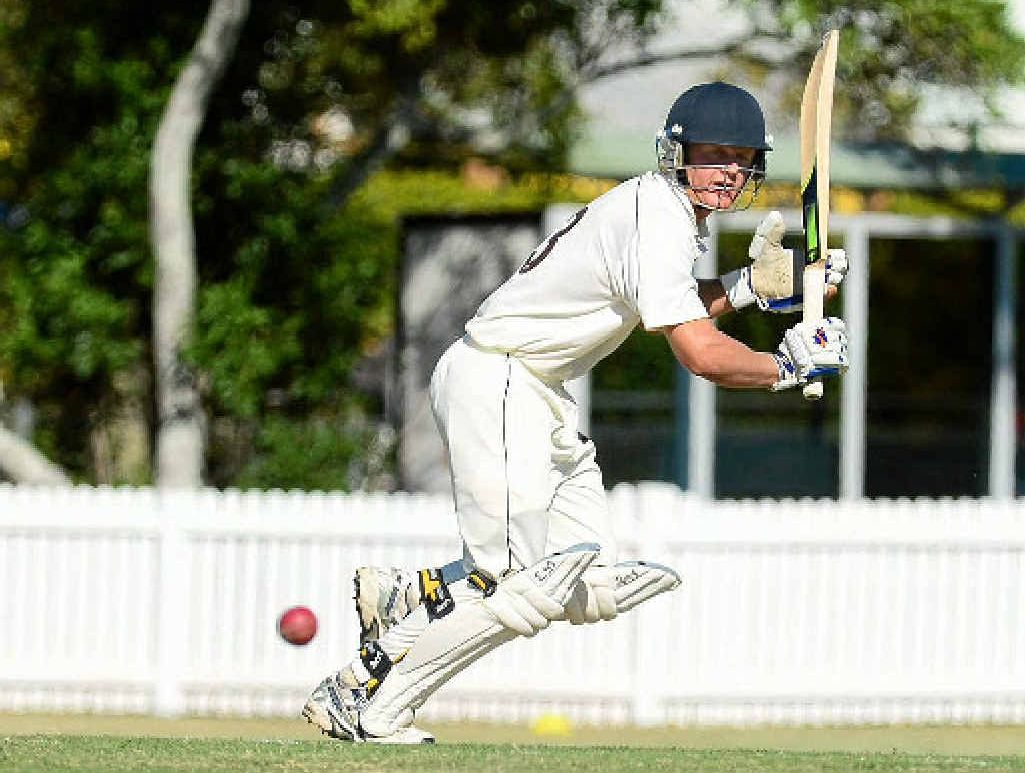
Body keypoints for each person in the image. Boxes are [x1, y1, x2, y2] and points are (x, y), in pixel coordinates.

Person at [302, 81, 849, 744]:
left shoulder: (662, 216)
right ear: (675, 152)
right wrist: (789, 368)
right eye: (713, 154)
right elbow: (699, 354)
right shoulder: (659, 219)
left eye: (740, 158)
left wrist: (748, 287)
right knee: (518, 581)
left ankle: (410, 599)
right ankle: (370, 705)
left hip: (536, 390)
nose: (728, 171)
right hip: (499, 377)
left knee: (587, 581)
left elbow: (662, 304)